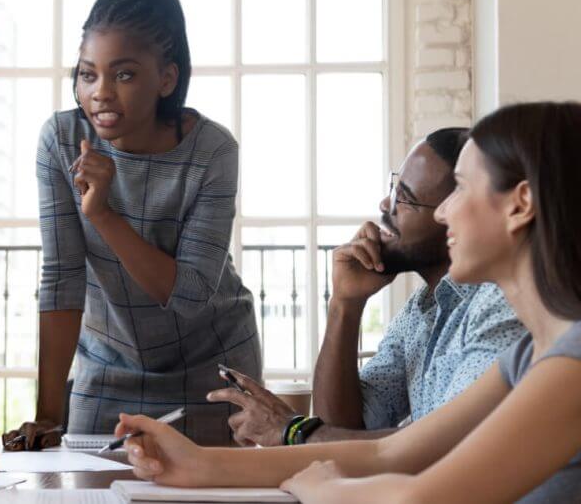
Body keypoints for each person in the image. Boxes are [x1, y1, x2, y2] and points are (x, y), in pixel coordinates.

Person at [116, 101, 581, 503]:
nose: (443, 211)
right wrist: (195, 463)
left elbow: (421, 495)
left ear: (520, 204)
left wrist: (322, 486)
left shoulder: (573, 363)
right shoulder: (532, 355)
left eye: (460, 187)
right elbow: (390, 451)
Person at [4, 0, 262, 448]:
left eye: (123, 74)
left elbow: (189, 294)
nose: (101, 91)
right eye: (88, 73)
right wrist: (47, 415)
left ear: (167, 78)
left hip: (213, 366)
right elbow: (62, 276)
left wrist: (103, 214)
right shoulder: (60, 141)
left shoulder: (212, 150)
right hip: (108, 366)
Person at [208, 128, 522, 446]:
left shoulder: (503, 305)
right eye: (393, 188)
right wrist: (345, 303)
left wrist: (292, 430)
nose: (386, 204)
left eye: (406, 198)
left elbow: (447, 447)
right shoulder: (422, 309)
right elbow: (346, 429)